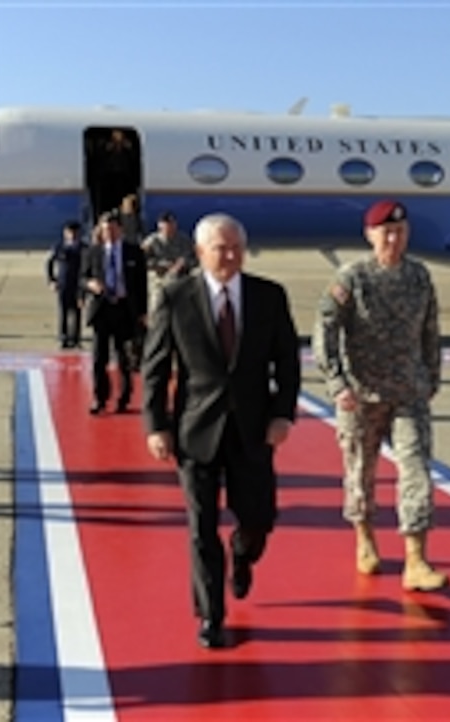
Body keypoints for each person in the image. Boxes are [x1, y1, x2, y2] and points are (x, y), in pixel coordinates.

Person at [142, 213, 300, 649]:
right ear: (199, 252)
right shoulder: (175, 298)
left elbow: (286, 361)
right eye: (219, 248)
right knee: (200, 526)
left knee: (259, 518)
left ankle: (243, 555)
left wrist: (283, 414)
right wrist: (156, 425)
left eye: (236, 247)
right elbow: (155, 368)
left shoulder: (268, 296)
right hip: (196, 431)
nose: (229, 256)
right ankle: (210, 616)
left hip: (254, 430)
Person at [312, 199, 447, 592]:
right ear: (370, 235)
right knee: (360, 473)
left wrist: (432, 376)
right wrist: (337, 384)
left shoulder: (419, 276)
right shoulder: (352, 277)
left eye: (400, 232)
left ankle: (416, 560)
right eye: (385, 232)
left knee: (417, 469)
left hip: (409, 391)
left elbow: (431, 330)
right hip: (362, 394)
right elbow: (326, 332)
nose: (393, 238)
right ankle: (365, 538)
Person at [80, 211, 148, 414]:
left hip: (124, 309)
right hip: (102, 309)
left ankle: (124, 398)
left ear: (120, 230)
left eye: (112, 229)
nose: (108, 233)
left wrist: (143, 312)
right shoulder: (93, 252)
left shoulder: (134, 252)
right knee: (99, 358)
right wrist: (89, 284)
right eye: (104, 229)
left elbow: (141, 285)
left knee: (124, 358)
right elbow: (82, 278)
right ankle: (100, 398)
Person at [141, 211, 196, 306]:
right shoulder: (152, 242)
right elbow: (141, 261)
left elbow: (194, 259)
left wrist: (183, 263)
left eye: (172, 224)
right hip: (159, 280)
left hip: (181, 278)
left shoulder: (184, 240)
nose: (169, 228)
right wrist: (161, 265)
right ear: (160, 226)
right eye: (166, 226)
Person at [46, 220, 86, 349]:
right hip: (63, 284)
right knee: (63, 311)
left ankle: (76, 338)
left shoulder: (84, 248)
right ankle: (63, 337)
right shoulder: (59, 247)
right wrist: (51, 280)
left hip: (78, 284)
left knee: (77, 312)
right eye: (69, 232)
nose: (72, 235)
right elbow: (49, 264)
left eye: (74, 232)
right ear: (64, 233)